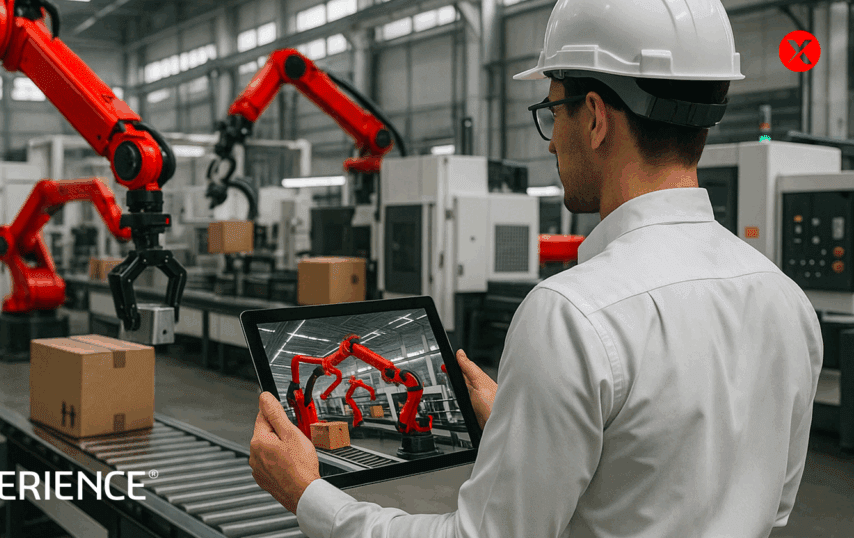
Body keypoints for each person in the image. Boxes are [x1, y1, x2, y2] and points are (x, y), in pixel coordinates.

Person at [249, 0, 824, 535]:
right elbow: (766, 508)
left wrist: (310, 494)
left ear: (595, 118)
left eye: (552, 110)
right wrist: (530, 421)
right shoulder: (787, 300)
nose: (551, 143)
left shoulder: (573, 316)